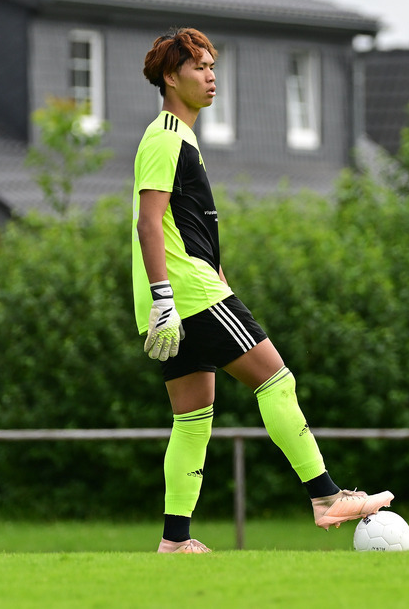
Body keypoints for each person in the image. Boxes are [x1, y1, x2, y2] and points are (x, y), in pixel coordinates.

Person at [132, 28, 393, 554]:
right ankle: (324, 497)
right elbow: (148, 223)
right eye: (198, 67)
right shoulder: (165, 136)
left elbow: (187, 224)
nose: (210, 77)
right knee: (276, 379)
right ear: (170, 76)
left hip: (184, 294)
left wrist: (211, 273)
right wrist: (166, 298)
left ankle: (175, 541)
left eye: (212, 68)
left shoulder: (178, 137)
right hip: (187, 295)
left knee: (192, 418)